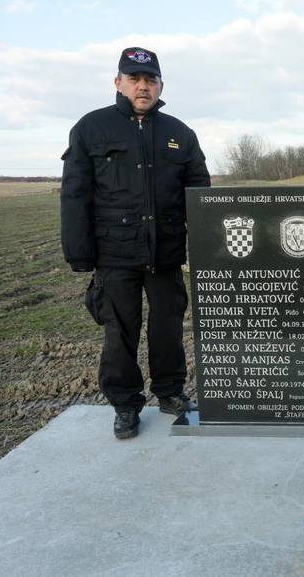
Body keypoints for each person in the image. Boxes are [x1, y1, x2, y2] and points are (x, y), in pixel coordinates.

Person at [61, 47, 210, 439]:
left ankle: (170, 392)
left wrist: (207, 246)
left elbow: (200, 191)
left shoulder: (180, 133)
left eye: (150, 80)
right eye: (134, 79)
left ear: (160, 85)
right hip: (115, 253)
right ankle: (126, 404)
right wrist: (79, 253)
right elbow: (75, 193)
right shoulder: (91, 129)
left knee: (168, 327)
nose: (142, 86)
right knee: (119, 332)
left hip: (165, 253)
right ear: (118, 83)